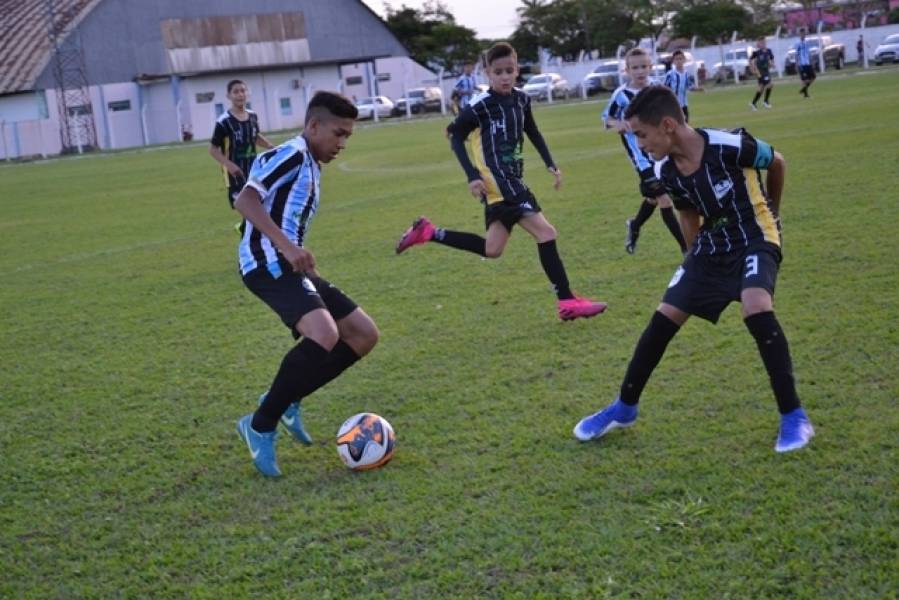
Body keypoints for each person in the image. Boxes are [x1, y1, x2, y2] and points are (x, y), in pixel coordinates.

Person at [573, 86, 814, 453]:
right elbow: (687, 212)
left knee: (756, 306)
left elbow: (777, 162)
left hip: (754, 234)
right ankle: (625, 407)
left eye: (640, 134)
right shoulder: (663, 169)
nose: (638, 144)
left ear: (667, 125)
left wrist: (774, 213)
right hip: (710, 246)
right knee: (664, 316)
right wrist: (692, 258)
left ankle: (794, 416)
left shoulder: (728, 145)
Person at [395, 42, 606, 322]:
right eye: (498, 72)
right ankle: (567, 301)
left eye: (510, 70)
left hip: (511, 179)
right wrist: (472, 176)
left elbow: (532, 130)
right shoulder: (480, 105)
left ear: (517, 69)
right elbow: (454, 135)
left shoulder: (521, 99)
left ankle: (429, 232)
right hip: (498, 182)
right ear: (487, 74)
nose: (505, 76)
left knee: (492, 249)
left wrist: (550, 163)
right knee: (547, 233)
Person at [234, 92, 379, 477]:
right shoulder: (293, 154)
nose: (342, 144)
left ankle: (288, 398)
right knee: (323, 333)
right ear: (313, 126)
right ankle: (260, 423)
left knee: (362, 334)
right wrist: (287, 246)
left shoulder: (312, 162)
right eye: (338, 133)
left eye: (348, 136)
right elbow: (246, 201)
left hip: (293, 266)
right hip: (266, 262)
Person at [605, 48, 687, 256]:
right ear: (627, 70)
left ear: (651, 67)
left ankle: (635, 225)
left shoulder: (657, 90)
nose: (640, 71)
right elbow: (607, 119)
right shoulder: (621, 95)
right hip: (641, 157)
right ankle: (687, 249)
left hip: (663, 151)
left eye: (644, 66)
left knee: (653, 197)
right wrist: (619, 124)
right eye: (635, 67)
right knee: (665, 199)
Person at [209, 80, 274, 208]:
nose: (240, 94)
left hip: (254, 169)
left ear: (247, 94)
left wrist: (271, 147)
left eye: (243, 91)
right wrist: (229, 165)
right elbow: (212, 149)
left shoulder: (253, 116)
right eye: (236, 92)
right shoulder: (224, 121)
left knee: (259, 204)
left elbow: (254, 136)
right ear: (229, 96)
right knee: (245, 206)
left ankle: (245, 228)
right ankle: (245, 228)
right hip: (235, 172)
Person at [662, 50, 695, 122]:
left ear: (684, 60)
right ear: (673, 61)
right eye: (676, 59)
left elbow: (689, 86)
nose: (679, 61)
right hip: (673, 105)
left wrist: (697, 89)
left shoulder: (687, 74)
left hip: (684, 104)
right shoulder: (670, 74)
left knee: (685, 124)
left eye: (680, 59)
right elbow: (664, 88)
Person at [750, 38, 776, 110]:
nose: (763, 44)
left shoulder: (769, 51)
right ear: (759, 44)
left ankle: (753, 103)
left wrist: (772, 64)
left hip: (766, 71)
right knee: (770, 84)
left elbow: (771, 58)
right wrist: (752, 69)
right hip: (760, 72)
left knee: (761, 88)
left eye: (764, 42)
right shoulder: (757, 52)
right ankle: (765, 102)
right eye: (761, 43)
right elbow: (750, 60)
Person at [794, 30, 816, 98]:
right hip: (801, 64)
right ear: (799, 34)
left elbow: (809, 53)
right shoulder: (797, 43)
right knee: (804, 80)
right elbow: (796, 54)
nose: (803, 35)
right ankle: (806, 95)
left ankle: (803, 90)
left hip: (808, 63)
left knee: (813, 77)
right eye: (802, 34)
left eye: (804, 34)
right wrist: (796, 64)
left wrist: (812, 61)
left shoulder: (807, 43)